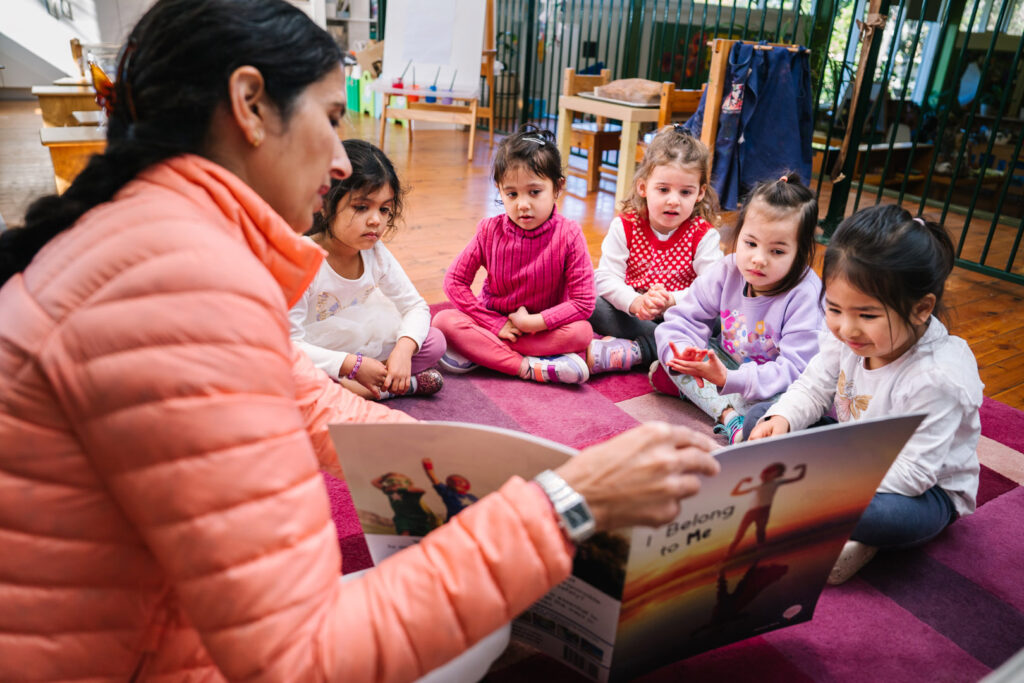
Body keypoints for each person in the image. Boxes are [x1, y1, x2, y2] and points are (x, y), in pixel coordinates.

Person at [0, 0, 721, 679]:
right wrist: (566, 503)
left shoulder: (144, 244)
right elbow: (302, 655)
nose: (342, 162)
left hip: (149, 635)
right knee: (486, 619)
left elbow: (309, 400)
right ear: (251, 105)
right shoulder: (177, 287)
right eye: (330, 116)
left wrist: (479, 472)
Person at [749, 204, 983, 585]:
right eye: (834, 308)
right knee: (760, 415)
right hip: (853, 453)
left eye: (868, 315)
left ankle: (842, 533)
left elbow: (914, 475)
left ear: (922, 308)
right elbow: (812, 387)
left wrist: (823, 479)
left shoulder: (940, 378)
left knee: (878, 517)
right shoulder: (845, 336)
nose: (846, 328)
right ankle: (811, 513)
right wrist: (783, 420)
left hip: (922, 492)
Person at [651, 174, 823, 444]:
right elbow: (682, 319)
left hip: (774, 385)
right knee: (671, 362)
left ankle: (731, 415)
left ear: (800, 252)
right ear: (738, 234)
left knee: (778, 409)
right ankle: (732, 417)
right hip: (730, 367)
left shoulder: (804, 294)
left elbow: (797, 372)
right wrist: (685, 355)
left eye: (777, 252)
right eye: (750, 243)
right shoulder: (727, 269)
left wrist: (729, 378)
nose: (758, 259)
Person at [433, 125, 596, 384]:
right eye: (512, 194)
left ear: (557, 187)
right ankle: (526, 367)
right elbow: (454, 282)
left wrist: (534, 323)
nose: (523, 204)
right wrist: (493, 325)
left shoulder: (569, 234)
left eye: (534, 192)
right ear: (499, 190)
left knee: (582, 333)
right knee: (443, 321)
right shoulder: (489, 230)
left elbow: (583, 302)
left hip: (541, 329)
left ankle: (484, 353)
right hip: (494, 323)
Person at [290, 139, 445, 401]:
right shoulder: (302, 257)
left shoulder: (375, 253)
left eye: (384, 209)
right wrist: (352, 365)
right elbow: (290, 345)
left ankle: (359, 390)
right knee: (286, 375)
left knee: (433, 342)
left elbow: (415, 306)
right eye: (361, 207)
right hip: (315, 352)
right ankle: (397, 388)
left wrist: (403, 351)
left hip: (362, 344)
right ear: (326, 205)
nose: (376, 220)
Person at [588, 125, 723, 375]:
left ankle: (641, 350)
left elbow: (712, 287)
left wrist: (672, 300)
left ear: (700, 193)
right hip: (637, 314)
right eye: (663, 190)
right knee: (592, 304)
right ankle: (670, 349)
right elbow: (606, 277)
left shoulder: (704, 235)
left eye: (685, 192)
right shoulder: (625, 226)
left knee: (721, 318)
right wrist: (636, 302)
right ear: (643, 187)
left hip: (682, 316)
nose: (673, 200)